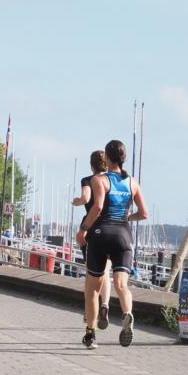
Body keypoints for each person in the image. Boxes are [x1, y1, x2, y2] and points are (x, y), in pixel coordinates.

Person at [76, 139, 149, 350]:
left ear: (107, 158)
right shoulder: (132, 182)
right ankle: (127, 314)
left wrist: (83, 229)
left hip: (100, 234)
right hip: (123, 235)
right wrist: (127, 219)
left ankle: (90, 335)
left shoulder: (100, 179)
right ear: (123, 157)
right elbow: (144, 213)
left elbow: (97, 207)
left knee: (92, 288)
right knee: (121, 284)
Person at [72, 150, 112, 328]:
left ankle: (89, 313)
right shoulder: (114, 180)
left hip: (92, 227)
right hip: (113, 227)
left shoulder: (88, 180)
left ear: (91, 164)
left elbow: (86, 198)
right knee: (106, 273)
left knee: (91, 274)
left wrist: (78, 202)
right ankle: (105, 305)